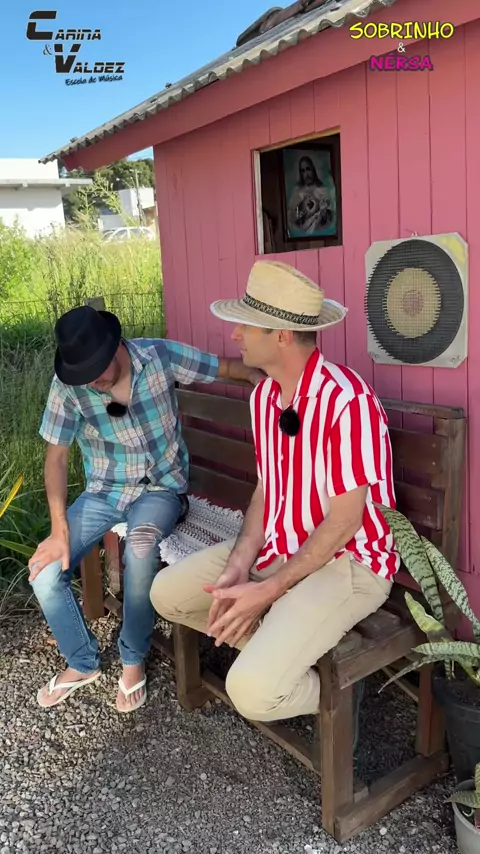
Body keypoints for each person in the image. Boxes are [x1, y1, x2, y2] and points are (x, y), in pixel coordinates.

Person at [150, 260, 400, 725]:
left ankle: (339, 695)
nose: (235, 336)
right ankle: (276, 649)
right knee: (167, 594)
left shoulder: (348, 402)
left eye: (245, 326)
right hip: (281, 545)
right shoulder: (264, 398)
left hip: (349, 562)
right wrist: (240, 563)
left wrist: (266, 591)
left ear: (281, 335)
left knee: (252, 694)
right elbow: (266, 491)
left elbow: (345, 522)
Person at [28, 304, 263, 713]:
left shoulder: (159, 356)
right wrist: (58, 529)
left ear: (115, 345)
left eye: (97, 370)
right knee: (44, 574)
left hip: (161, 490)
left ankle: (132, 657)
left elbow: (228, 368)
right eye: (84, 376)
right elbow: (56, 459)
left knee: (140, 550)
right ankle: (82, 662)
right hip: (104, 491)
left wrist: (271, 383)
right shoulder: (68, 387)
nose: (93, 382)